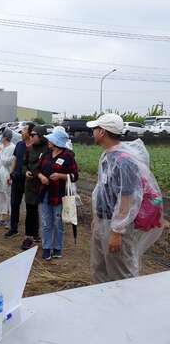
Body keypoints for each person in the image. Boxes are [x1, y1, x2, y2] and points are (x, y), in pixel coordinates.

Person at [87, 114, 163, 283]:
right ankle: (104, 303)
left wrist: (117, 231)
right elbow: (101, 190)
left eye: (95, 129)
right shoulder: (107, 156)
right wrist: (96, 219)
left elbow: (127, 198)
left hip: (116, 226)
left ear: (102, 132)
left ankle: (126, 305)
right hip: (103, 221)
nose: (92, 132)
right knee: (100, 267)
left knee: (121, 273)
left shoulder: (124, 161)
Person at [37, 129, 79, 260]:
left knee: (58, 223)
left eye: (51, 140)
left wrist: (61, 176)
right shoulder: (46, 154)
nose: (48, 141)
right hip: (45, 194)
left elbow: (75, 176)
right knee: (45, 222)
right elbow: (37, 169)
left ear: (56, 142)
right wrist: (41, 176)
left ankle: (57, 248)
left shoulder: (68, 156)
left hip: (59, 196)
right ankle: (46, 248)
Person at [21, 125, 49, 250]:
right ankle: (28, 237)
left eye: (33, 135)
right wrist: (25, 171)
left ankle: (43, 238)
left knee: (45, 213)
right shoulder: (29, 149)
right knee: (30, 212)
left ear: (41, 136)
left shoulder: (49, 149)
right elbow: (24, 164)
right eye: (30, 134)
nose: (30, 137)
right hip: (30, 185)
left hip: (43, 186)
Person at [5, 123, 34, 239]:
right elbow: (15, 159)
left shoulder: (34, 147)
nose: (22, 132)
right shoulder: (20, 145)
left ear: (31, 132)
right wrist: (10, 173)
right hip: (16, 178)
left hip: (29, 180)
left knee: (30, 207)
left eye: (25, 130)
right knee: (14, 204)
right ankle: (13, 229)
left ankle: (32, 233)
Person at [0, 129, 15, 227]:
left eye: (2, 135)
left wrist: (1, 152)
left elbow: (8, 162)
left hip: (7, 175)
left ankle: (11, 219)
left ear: (5, 137)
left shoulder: (12, 147)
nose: (0, 137)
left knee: (8, 196)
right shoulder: (1, 147)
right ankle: (2, 217)